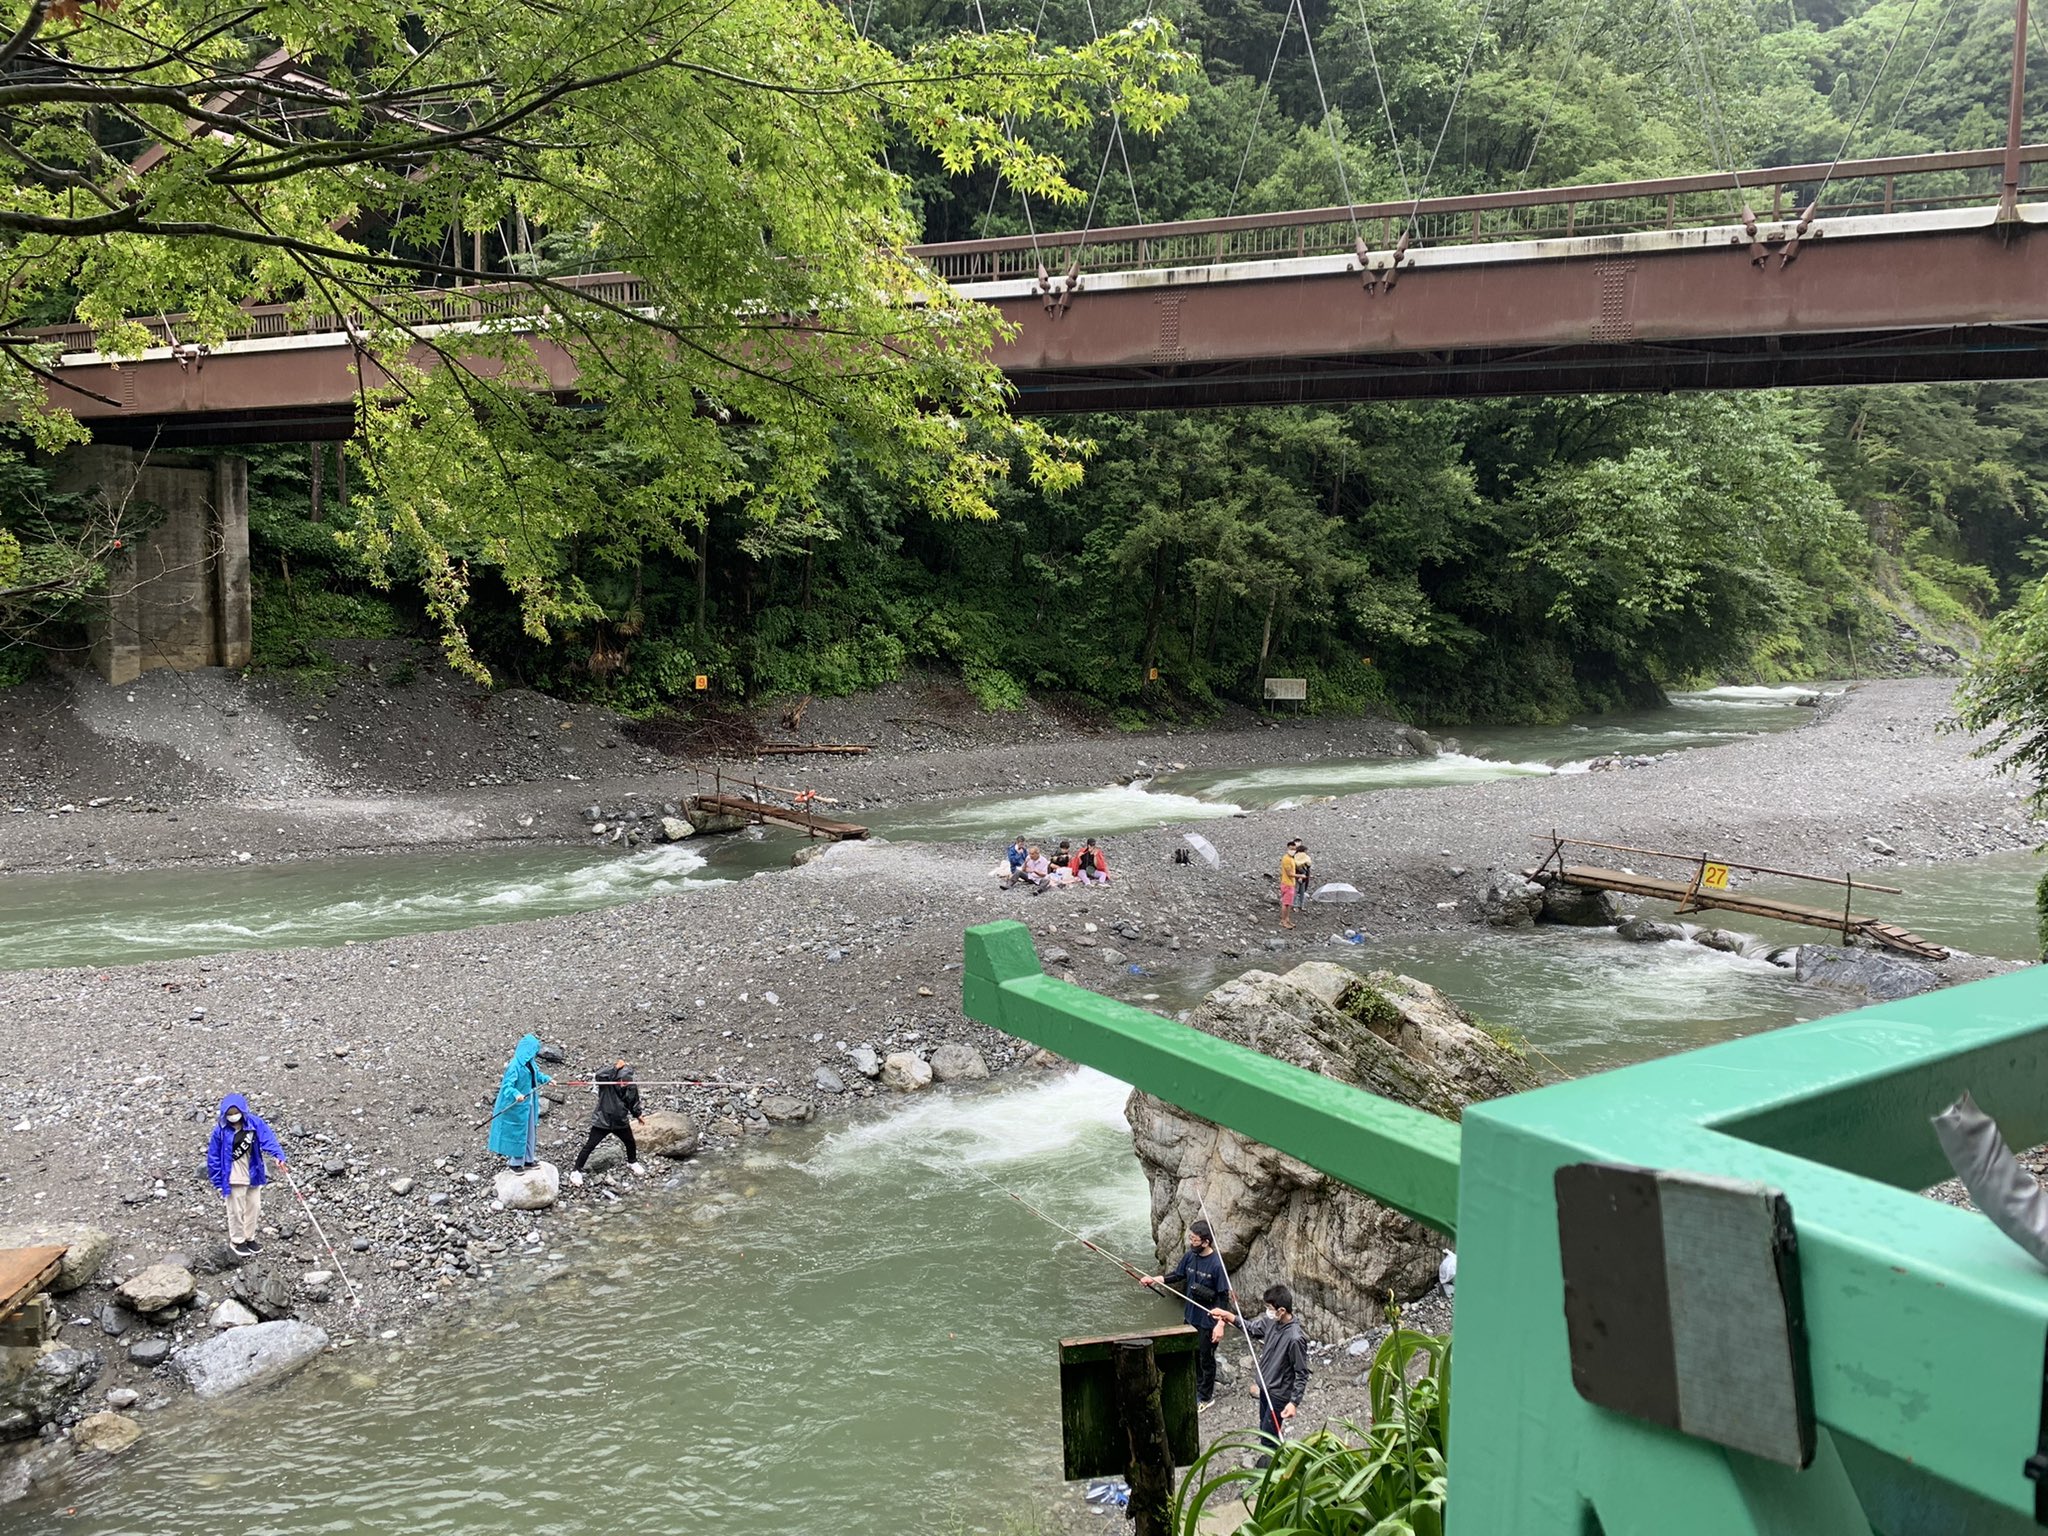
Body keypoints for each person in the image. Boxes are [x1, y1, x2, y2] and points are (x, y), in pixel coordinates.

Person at [1211, 1283, 1311, 1458]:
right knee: (1264, 1429)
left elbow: (1301, 1373)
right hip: (1265, 1388)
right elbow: (1251, 1329)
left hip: (1279, 1395)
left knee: (1269, 1437)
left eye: (1269, 1308)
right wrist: (1229, 1316)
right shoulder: (1271, 1323)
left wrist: (1294, 1402)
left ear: (1281, 1310)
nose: (1267, 1312)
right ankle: (1274, 1465)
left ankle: (1272, 1475)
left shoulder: (1295, 1338)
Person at [1141, 1220, 1231, 1411]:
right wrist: (1155, 1280)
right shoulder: (1190, 1256)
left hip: (1208, 1321)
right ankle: (1194, 1387)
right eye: (1190, 1238)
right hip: (1190, 1317)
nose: (1191, 1242)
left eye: (1195, 1240)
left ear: (1206, 1242)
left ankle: (1205, 1397)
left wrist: (1220, 1325)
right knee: (1190, 1354)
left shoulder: (1217, 1265)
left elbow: (1223, 1298)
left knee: (1205, 1358)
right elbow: (1177, 1275)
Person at [205, 1093, 287, 1259]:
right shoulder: (220, 1131)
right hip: (232, 1175)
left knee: (254, 1206)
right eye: (229, 1113)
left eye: (235, 1112)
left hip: (253, 1172)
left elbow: (268, 1139)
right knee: (236, 1209)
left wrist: (278, 1156)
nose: (233, 1116)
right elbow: (213, 1156)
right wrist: (217, 1180)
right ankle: (237, 1240)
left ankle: (249, 1237)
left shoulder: (254, 1123)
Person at [569, 1059, 647, 1186]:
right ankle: (576, 1171)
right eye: (622, 1081)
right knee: (590, 1146)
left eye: (626, 1082)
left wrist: (637, 1115)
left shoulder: (631, 1086)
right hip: (602, 1120)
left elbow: (633, 1101)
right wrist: (614, 1068)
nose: (624, 1084)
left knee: (630, 1142)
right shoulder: (606, 1081)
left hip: (620, 1120)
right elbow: (599, 1074)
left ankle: (632, 1162)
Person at [489, 1032, 553, 1170]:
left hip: (529, 1102)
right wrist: (516, 1094)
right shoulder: (514, 1066)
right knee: (518, 1132)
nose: (534, 1054)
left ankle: (529, 1159)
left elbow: (537, 1075)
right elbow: (507, 1086)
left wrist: (548, 1079)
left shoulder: (530, 1063)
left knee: (530, 1131)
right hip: (516, 1106)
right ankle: (515, 1162)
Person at [1279, 842, 1300, 929]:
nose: (1293, 851)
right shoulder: (1286, 859)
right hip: (1287, 884)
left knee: (1289, 904)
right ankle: (1283, 921)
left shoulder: (1291, 858)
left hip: (1290, 883)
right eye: (1291, 849)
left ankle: (1287, 919)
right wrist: (1300, 876)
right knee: (1286, 903)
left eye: (1294, 849)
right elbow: (1289, 873)